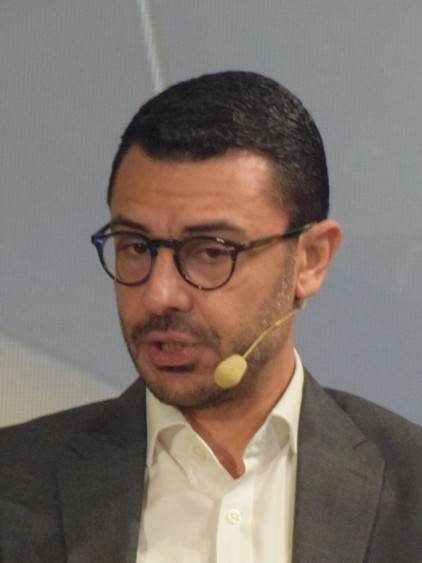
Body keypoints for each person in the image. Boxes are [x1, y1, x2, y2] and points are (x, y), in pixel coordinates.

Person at [0, 71, 421, 563]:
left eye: (211, 252)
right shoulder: (14, 483)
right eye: (135, 246)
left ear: (310, 260)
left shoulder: (409, 490)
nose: (159, 295)